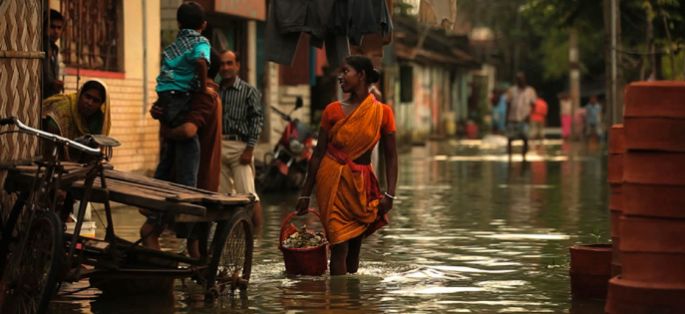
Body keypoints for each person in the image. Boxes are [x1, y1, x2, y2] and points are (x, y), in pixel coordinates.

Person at [295, 55, 398, 276]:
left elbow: (391, 156)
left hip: (361, 185)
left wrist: (390, 194)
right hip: (331, 180)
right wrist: (305, 194)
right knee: (339, 246)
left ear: (361, 76)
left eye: (346, 71)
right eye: (340, 72)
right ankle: (338, 302)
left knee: (354, 249)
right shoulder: (332, 110)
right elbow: (318, 154)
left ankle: (351, 301)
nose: (340, 76)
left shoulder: (383, 113)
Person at [153, 1, 210, 188]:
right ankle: (188, 192)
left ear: (178, 23)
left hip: (165, 96)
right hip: (180, 96)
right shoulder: (201, 42)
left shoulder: (172, 46)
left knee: (169, 149)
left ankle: (156, 187)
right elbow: (201, 62)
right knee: (190, 146)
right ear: (203, 25)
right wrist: (202, 87)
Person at [217, 50, 264, 228]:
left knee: (249, 195)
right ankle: (229, 239)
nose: (225, 67)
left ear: (237, 66)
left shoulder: (248, 91)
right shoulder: (215, 90)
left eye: (230, 63)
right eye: (222, 64)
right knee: (222, 197)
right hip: (219, 146)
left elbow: (257, 120)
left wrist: (250, 149)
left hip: (240, 147)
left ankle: (257, 241)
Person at [42, 79, 111, 159]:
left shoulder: (99, 120)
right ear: (80, 94)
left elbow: (96, 147)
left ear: (101, 104)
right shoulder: (63, 109)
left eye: (96, 100)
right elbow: (51, 135)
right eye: (88, 97)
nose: (90, 103)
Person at [505, 72, 537, 160]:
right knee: (510, 139)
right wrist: (506, 119)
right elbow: (508, 104)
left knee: (525, 139)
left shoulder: (530, 91)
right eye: (518, 79)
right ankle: (509, 157)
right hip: (512, 118)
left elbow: (534, 105)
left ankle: (524, 157)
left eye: (521, 79)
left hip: (525, 119)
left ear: (525, 80)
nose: (520, 81)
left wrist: (529, 116)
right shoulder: (511, 90)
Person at [44, 9, 65, 98]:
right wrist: (51, 83)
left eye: (59, 28)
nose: (56, 31)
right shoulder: (40, 47)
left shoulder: (55, 49)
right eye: (52, 27)